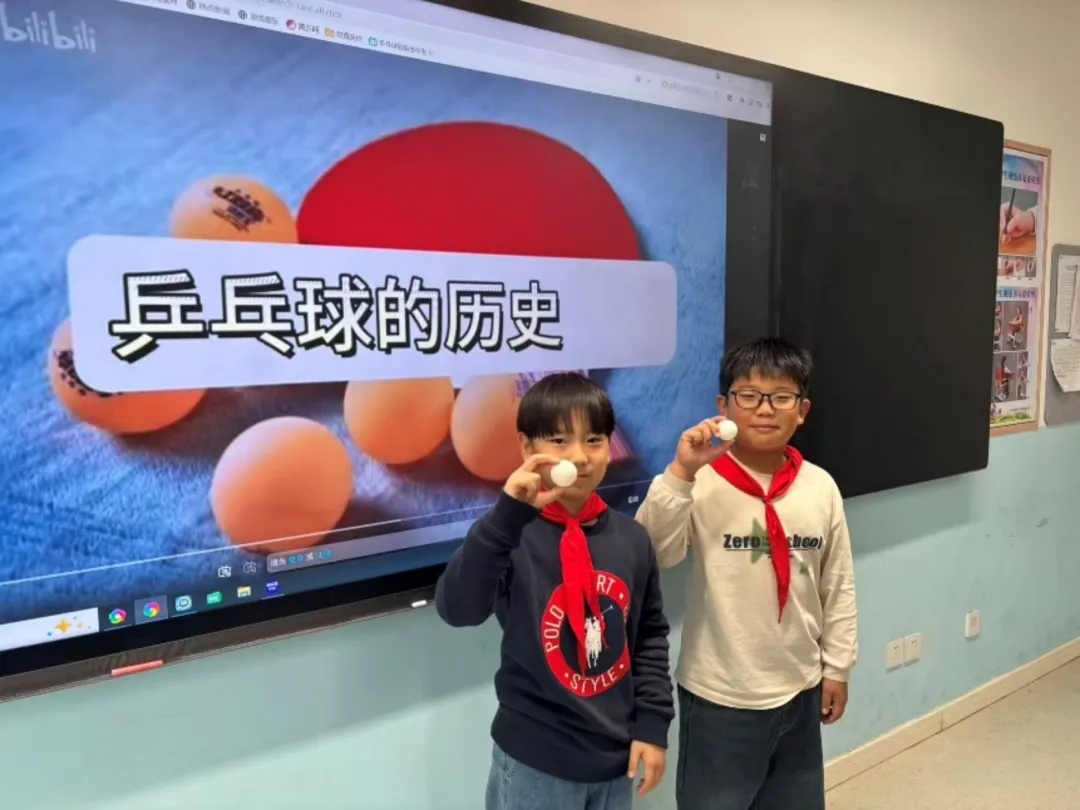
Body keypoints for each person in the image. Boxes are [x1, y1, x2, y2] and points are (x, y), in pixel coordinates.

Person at [635, 337, 858, 810]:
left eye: (781, 396)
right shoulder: (700, 481)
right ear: (724, 407)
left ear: (802, 410)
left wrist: (837, 667)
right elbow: (653, 553)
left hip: (800, 688)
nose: (765, 409)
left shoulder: (820, 487)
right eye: (749, 395)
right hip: (720, 698)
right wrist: (680, 473)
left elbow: (837, 584)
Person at [436, 372, 674, 810]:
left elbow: (648, 638)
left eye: (594, 440)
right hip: (536, 763)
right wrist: (506, 514)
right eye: (559, 440)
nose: (579, 457)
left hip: (616, 760)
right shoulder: (509, 534)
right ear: (527, 448)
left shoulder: (632, 539)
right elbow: (457, 609)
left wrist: (653, 725)